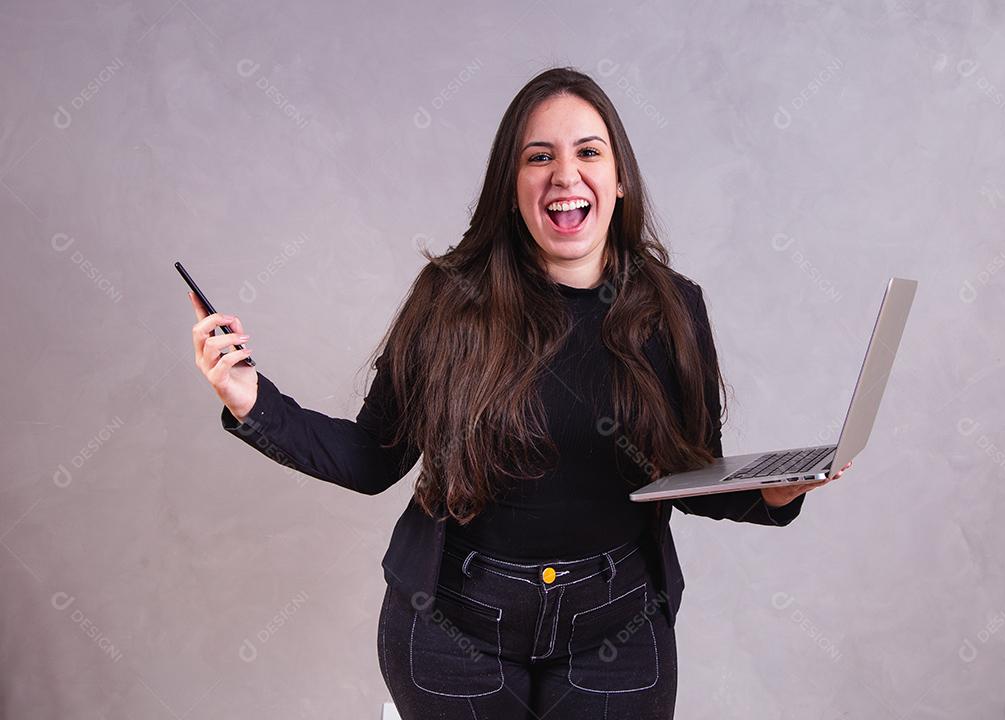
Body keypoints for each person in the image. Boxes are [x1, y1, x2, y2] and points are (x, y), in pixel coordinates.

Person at [188, 66, 850, 719]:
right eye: (540, 157)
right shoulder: (450, 301)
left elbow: (687, 475)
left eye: (588, 152)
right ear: (512, 189)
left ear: (619, 181)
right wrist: (253, 401)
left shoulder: (674, 309)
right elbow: (371, 459)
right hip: (453, 632)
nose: (565, 174)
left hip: (615, 629)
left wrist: (775, 492)